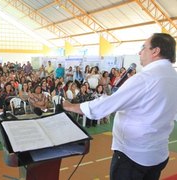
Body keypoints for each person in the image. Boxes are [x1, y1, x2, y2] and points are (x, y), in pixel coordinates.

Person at [63, 33, 177, 180]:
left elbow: (104, 106)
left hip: (133, 156)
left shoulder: (144, 79)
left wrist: (70, 106)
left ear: (155, 51)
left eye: (143, 47)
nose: (139, 52)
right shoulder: (173, 77)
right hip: (158, 154)